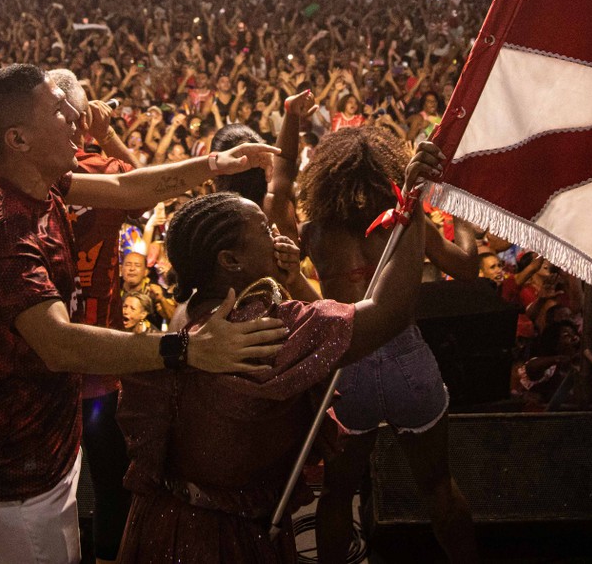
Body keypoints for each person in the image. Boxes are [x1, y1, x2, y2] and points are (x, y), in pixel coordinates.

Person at [0, 62, 288, 564]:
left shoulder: (36, 181)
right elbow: (60, 343)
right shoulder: (8, 233)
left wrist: (213, 165)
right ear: (19, 138)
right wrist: (187, 350)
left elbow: (126, 189)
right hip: (21, 464)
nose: (75, 117)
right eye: (58, 110)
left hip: (47, 436)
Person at [114, 140, 446, 564]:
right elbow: (389, 312)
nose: (277, 236)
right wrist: (412, 200)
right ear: (231, 260)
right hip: (225, 535)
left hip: (165, 522)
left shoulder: (188, 314)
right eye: (264, 233)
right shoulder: (268, 327)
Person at [297, 128, 479, 564]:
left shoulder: (314, 233)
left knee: (338, 495)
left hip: (347, 367)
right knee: (438, 486)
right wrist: (463, 217)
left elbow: (282, 189)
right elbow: (468, 266)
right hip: (407, 362)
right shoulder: (402, 222)